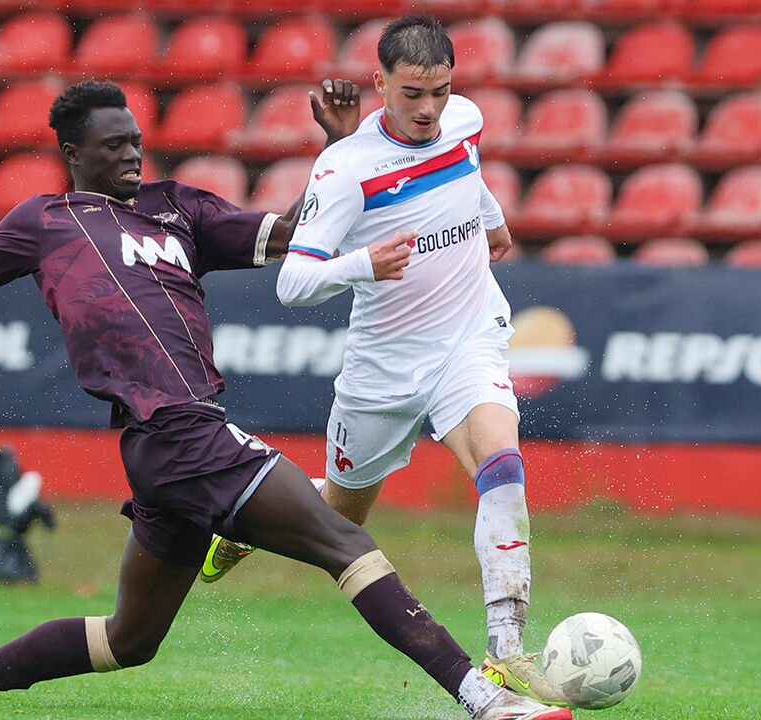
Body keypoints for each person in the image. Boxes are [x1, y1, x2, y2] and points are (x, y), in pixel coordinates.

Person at [0, 79, 570, 720]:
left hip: (173, 446)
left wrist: (344, 151)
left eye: (137, 142)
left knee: (128, 642)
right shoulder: (44, 221)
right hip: (179, 433)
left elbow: (304, 236)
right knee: (346, 542)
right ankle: (487, 699)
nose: (132, 156)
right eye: (113, 147)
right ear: (71, 151)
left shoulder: (182, 212)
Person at [198, 15, 570, 708]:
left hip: (468, 338)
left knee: (502, 462)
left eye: (440, 90)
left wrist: (489, 217)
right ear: (380, 84)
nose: (429, 108)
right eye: (412, 94)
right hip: (384, 369)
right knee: (341, 518)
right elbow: (292, 283)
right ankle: (245, 521)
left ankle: (506, 650)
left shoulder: (465, 119)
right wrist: (364, 264)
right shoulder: (344, 168)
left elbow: (462, 170)